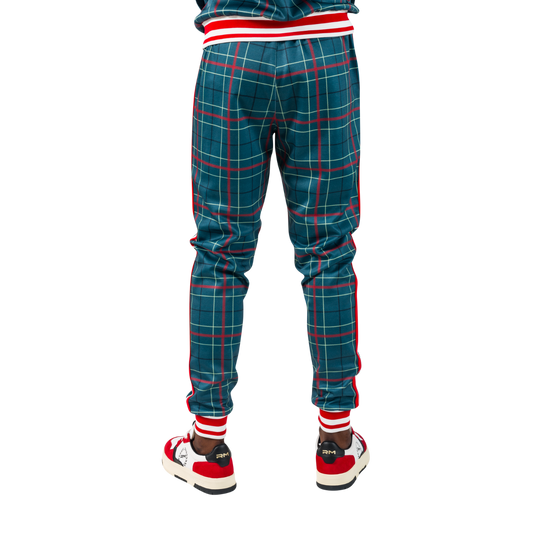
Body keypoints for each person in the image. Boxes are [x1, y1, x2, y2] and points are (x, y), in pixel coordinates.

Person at [159, 0, 371, 498]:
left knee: (220, 250)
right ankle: (337, 442)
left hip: (233, 49)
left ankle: (209, 447)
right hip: (324, 50)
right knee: (329, 248)